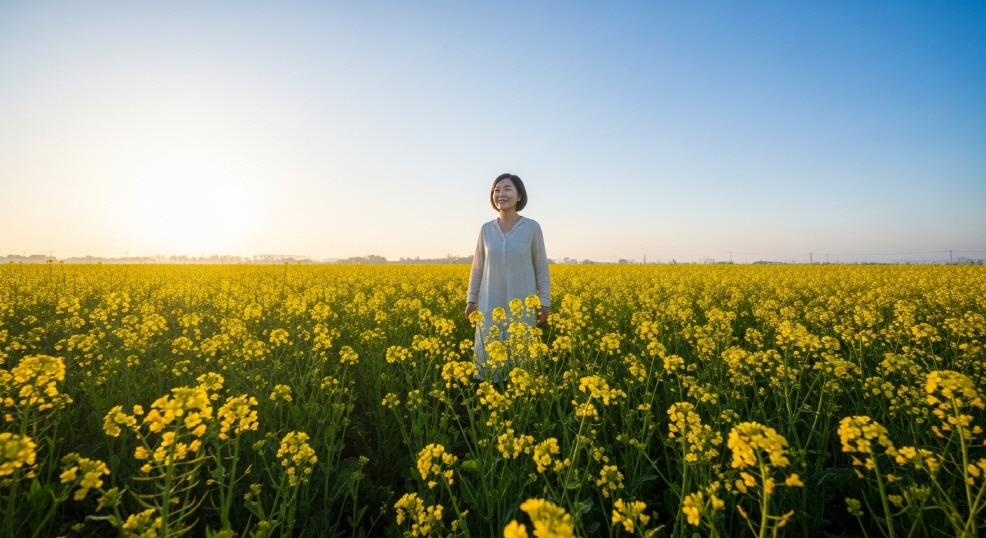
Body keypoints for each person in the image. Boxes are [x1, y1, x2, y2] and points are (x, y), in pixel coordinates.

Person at [465, 173, 551, 380]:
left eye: (507, 189)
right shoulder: (486, 229)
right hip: (489, 304)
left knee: (521, 360)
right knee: (489, 361)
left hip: (522, 305)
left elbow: (541, 267)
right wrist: (471, 300)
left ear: (519, 195)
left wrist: (545, 301)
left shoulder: (532, 228)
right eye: (496, 190)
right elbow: (477, 268)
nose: (501, 194)